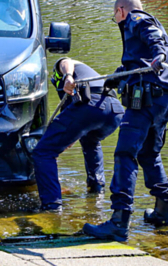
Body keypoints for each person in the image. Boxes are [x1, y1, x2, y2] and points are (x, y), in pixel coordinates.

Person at [80, 0, 168, 242]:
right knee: (149, 153)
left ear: (121, 11)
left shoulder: (137, 19)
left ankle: (119, 221)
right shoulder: (149, 28)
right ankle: (162, 210)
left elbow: (154, 40)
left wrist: (157, 55)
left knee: (125, 153)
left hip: (148, 98)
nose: (115, 21)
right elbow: (133, 65)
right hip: (167, 99)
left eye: (114, 16)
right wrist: (112, 81)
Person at [32, 58, 124, 211]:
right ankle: (96, 190)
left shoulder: (65, 69)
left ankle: (51, 205)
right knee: (90, 141)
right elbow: (70, 120)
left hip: (91, 103)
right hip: (115, 111)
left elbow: (65, 61)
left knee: (43, 152)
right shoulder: (82, 80)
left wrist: (67, 75)